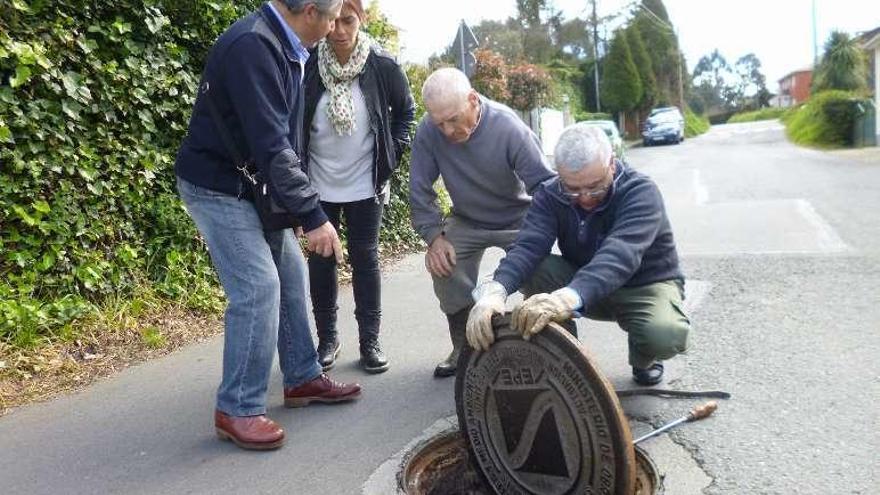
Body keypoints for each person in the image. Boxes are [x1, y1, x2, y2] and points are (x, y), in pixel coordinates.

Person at [174, 0, 362, 451]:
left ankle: (300, 378)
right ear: (311, 11)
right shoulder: (253, 47)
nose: (337, 27)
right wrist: (313, 216)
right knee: (258, 287)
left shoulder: (285, 45)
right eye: (333, 16)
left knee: (291, 274)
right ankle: (236, 407)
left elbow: (281, 144)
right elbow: (273, 146)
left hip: (250, 186)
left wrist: (291, 208)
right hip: (217, 186)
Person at [467, 123, 691, 386]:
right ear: (559, 175)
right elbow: (527, 246)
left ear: (612, 164)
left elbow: (619, 255)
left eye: (595, 187)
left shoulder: (641, 192)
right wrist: (494, 292)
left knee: (664, 335)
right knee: (534, 269)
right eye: (572, 189)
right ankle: (564, 355)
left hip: (643, 286)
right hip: (583, 283)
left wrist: (565, 299)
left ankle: (645, 358)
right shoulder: (551, 194)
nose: (584, 198)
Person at [409, 68, 556, 378]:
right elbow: (419, 189)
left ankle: (547, 344)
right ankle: (466, 346)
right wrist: (434, 238)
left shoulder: (509, 127)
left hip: (518, 217)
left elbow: (544, 187)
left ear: (473, 100)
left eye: (452, 119)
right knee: (445, 266)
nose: (447, 131)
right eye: (439, 123)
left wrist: (539, 235)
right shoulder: (429, 130)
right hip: (468, 218)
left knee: (539, 269)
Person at [302, 0, 415, 374]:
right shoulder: (307, 64)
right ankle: (327, 339)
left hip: (366, 182)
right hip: (318, 181)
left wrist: (390, 156)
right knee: (321, 260)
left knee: (365, 258)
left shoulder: (382, 64)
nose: (339, 31)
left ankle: (370, 339)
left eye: (348, 21)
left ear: (361, 19)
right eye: (335, 21)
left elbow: (406, 115)